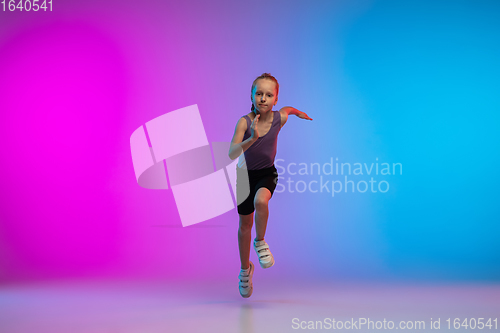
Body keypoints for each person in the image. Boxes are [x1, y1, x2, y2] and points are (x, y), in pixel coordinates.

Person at [228, 73, 313, 298]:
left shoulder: (279, 118)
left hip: (267, 173)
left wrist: (299, 113)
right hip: (244, 176)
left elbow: (288, 110)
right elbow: (230, 154)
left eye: (268, 95)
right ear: (252, 95)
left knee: (261, 200)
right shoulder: (244, 122)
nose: (263, 99)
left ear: (275, 98)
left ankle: (261, 241)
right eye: (259, 94)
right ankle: (245, 269)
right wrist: (252, 138)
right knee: (244, 225)